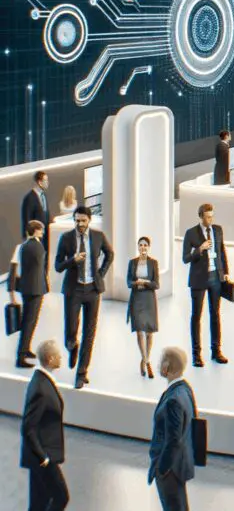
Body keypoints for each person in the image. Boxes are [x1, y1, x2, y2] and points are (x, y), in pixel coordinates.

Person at [54, 206, 113, 388]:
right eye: (77, 220)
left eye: (83, 220)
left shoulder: (98, 236)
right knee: (70, 330)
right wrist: (73, 260)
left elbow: (110, 254)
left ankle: (81, 373)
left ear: (89, 220)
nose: (79, 224)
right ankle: (72, 346)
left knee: (90, 332)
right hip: (74, 290)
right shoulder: (66, 238)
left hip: (93, 290)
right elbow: (58, 265)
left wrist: (100, 274)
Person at [21, 340, 68, 511]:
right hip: (42, 456)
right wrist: (44, 458)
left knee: (38, 503)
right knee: (61, 497)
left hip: (41, 455)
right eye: (58, 356)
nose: (61, 359)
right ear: (49, 359)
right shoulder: (40, 388)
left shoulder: (42, 381)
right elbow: (28, 427)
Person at [148, 346, 196, 511]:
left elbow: (173, 439)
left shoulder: (173, 400)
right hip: (180, 465)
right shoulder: (185, 390)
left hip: (171, 471)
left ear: (166, 367)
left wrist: (162, 468)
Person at [182, 203, 229, 368]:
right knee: (196, 316)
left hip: (216, 277)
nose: (211, 219)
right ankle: (196, 355)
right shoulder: (191, 233)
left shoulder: (218, 230)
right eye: (208, 216)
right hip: (199, 280)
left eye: (212, 216)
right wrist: (199, 249)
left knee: (215, 315)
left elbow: (222, 251)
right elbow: (185, 258)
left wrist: (225, 272)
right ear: (201, 216)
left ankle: (216, 351)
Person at [10, 220, 47, 369]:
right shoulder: (37, 246)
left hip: (27, 289)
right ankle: (21, 355)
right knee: (29, 322)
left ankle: (25, 349)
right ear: (36, 231)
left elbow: (14, 268)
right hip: (35, 289)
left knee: (28, 321)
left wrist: (12, 291)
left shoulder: (22, 247)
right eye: (41, 230)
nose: (43, 232)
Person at [127, 236, 160, 379]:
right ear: (138, 247)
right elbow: (129, 282)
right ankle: (146, 362)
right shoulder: (132, 263)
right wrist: (136, 283)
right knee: (139, 331)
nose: (143, 247)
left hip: (148, 299)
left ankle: (145, 358)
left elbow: (156, 284)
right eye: (140, 245)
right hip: (137, 299)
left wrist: (144, 282)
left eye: (145, 245)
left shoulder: (153, 263)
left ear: (149, 247)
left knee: (149, 332)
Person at [20, 171, 51, 251]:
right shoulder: (29, 198)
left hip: (45, 236)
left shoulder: (43, 196)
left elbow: (46, 214)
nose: (48, 183)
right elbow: (27, 220)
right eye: (46, 181)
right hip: (35, 238)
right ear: (40, 182)